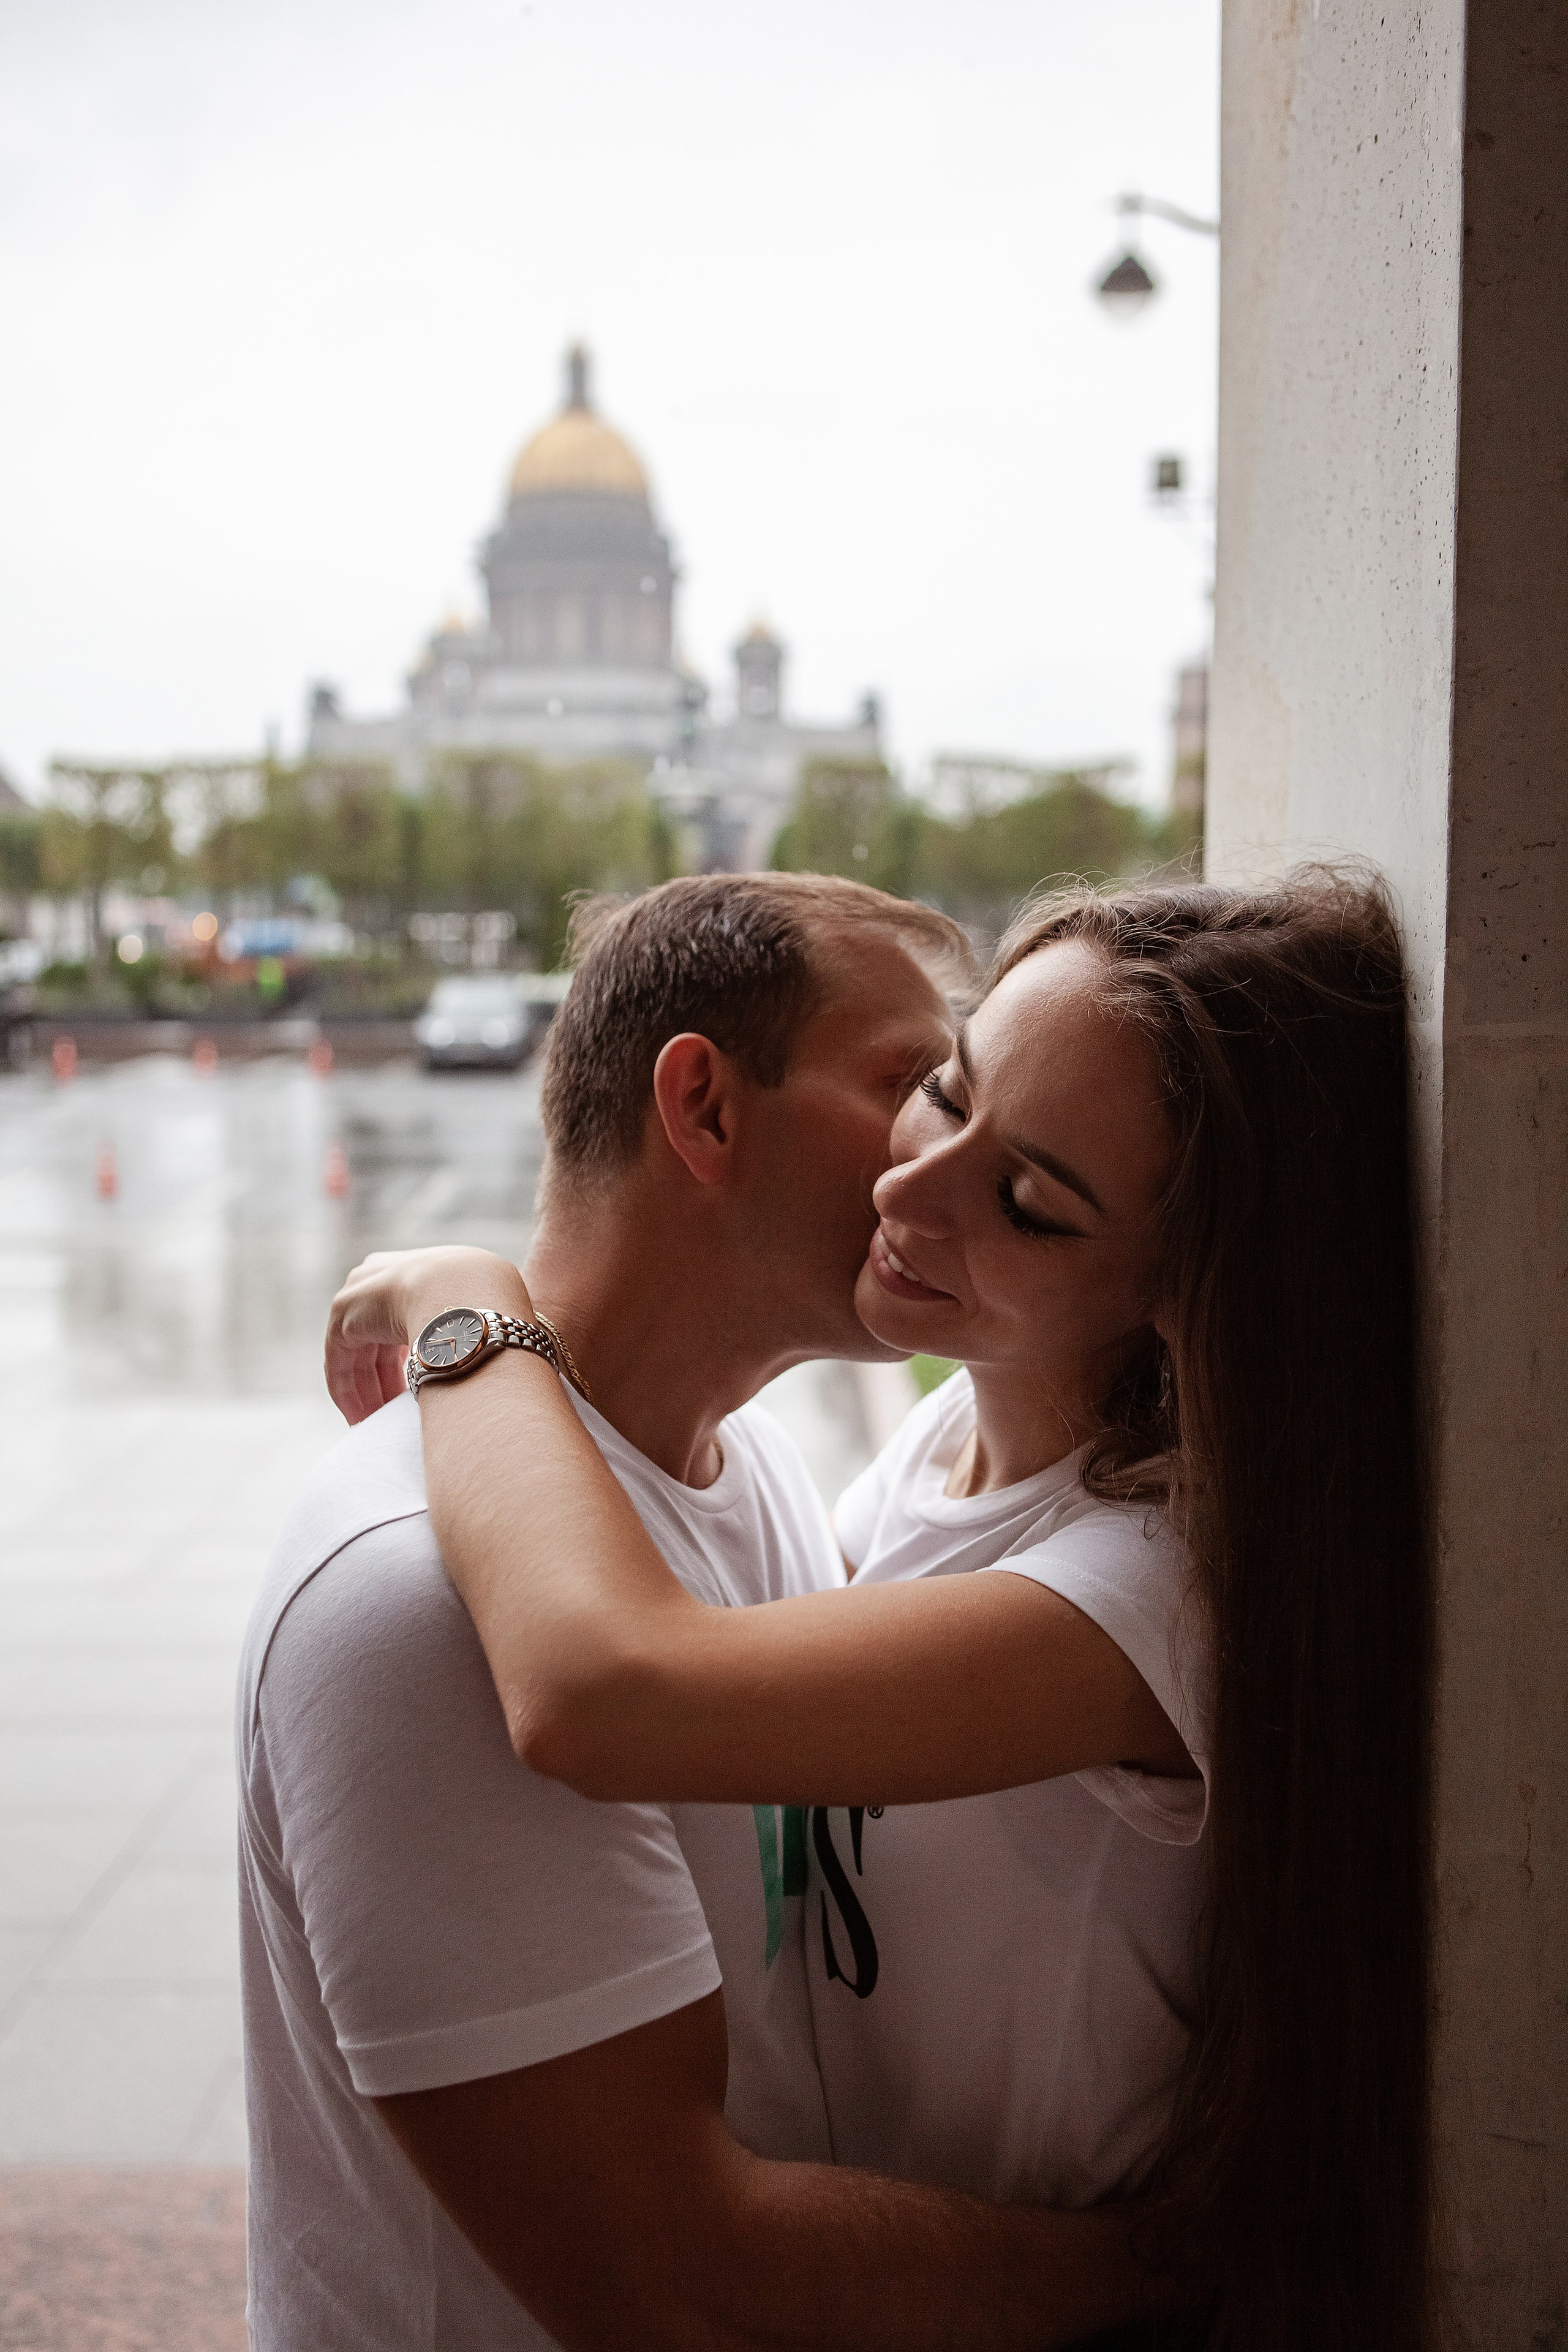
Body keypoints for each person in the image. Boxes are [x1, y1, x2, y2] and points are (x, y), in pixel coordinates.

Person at [331, 872, 1431, 2352]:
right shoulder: (920, 1459)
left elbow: (598, 1691)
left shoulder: (1142, 1590)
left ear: (1183, 1287)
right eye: (940, 1091)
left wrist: (467, 1306)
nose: (907, 1191)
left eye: (1028, 1202)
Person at [239, 873, 1153, 2352]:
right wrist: (1192, 2275)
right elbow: (676, 2279)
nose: (930, 1155)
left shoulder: (766, 1478)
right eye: (916, 1081)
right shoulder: (417, 1593)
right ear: (705, 1110)